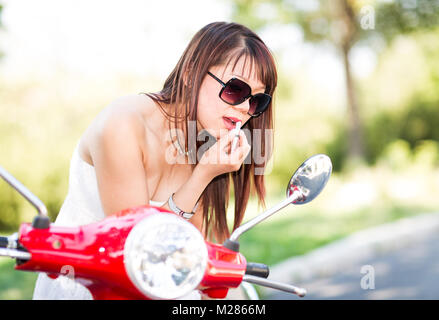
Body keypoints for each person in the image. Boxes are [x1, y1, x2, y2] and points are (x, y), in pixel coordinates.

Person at [32, 21, 277, 300]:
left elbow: (184, 251)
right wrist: (203, 175)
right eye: (236, 90)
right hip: (89, 287)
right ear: (190, 73)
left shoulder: (205, 141)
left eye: (256, 100)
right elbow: (137, 255)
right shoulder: (123, 125)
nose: (245, 108)